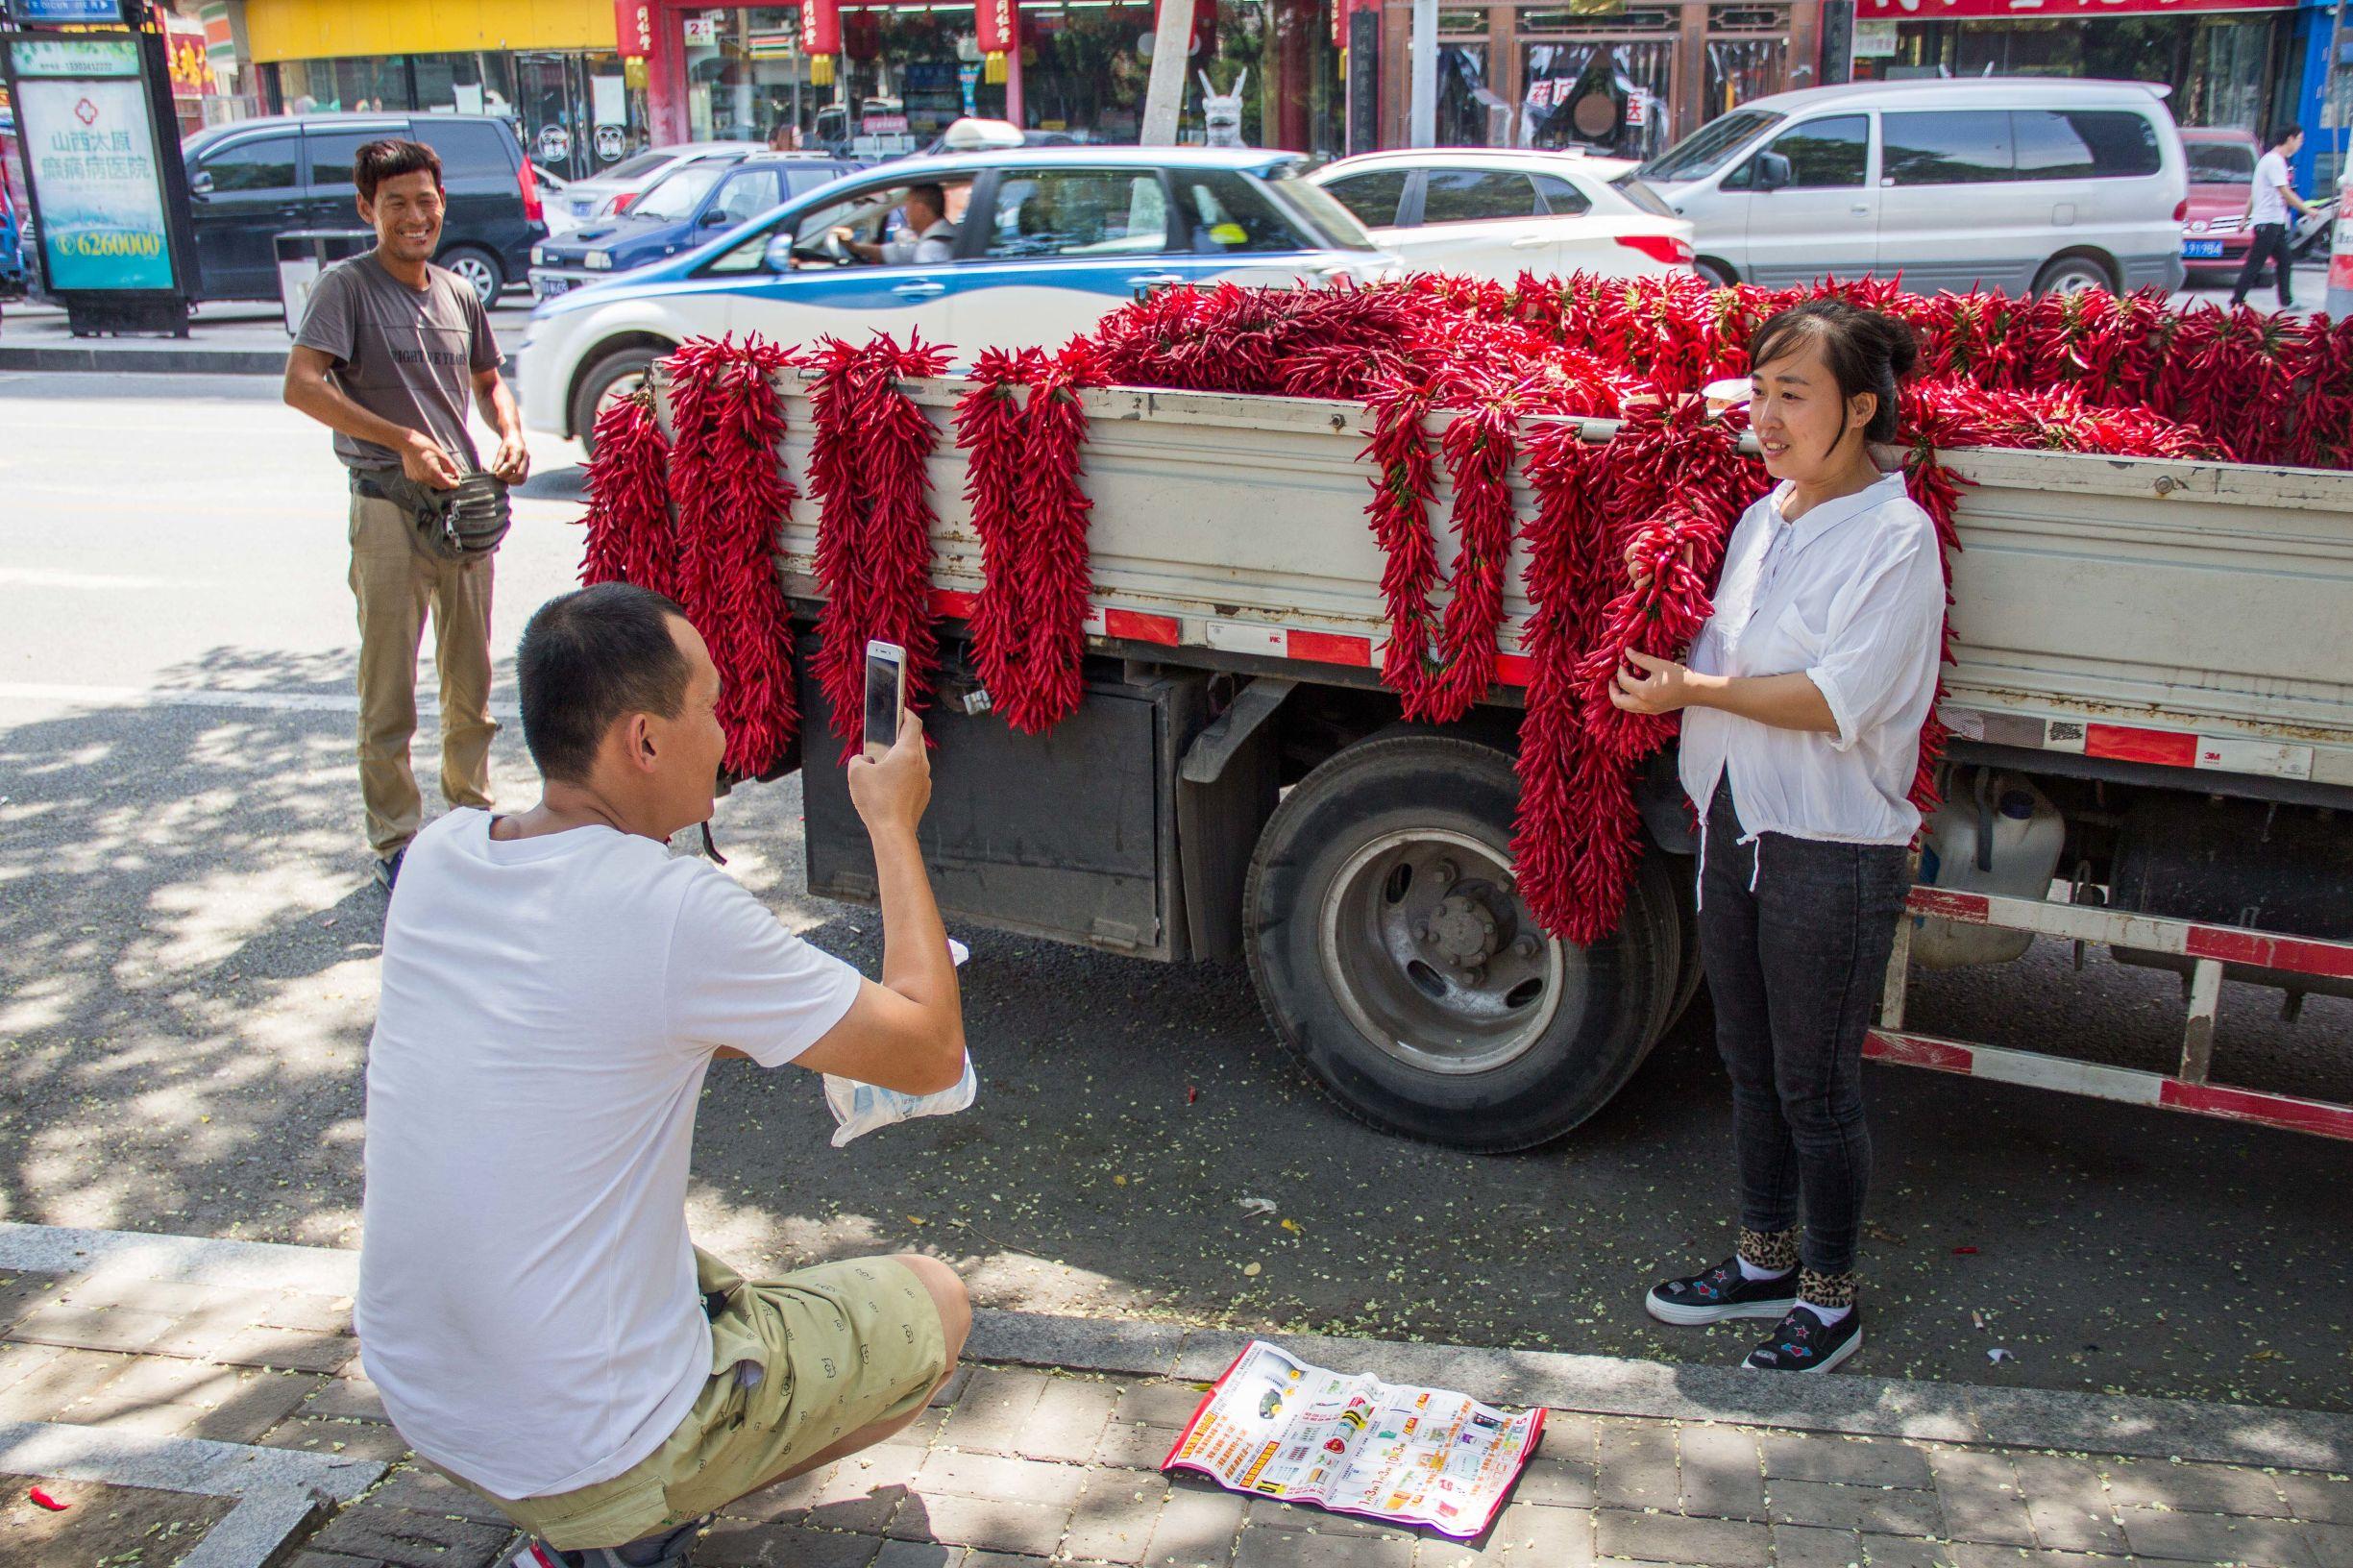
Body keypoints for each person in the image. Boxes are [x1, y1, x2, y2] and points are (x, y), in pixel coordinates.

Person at [357, 583, 971, 1568]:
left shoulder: (438, 858)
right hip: (582, 1448)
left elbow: (584, 1015)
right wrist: (891, 822)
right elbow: (929, 1050)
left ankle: (597, 1504)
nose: (727, 737)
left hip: (425, 1397)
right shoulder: (672, 909)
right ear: (644, 741)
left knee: (674, 1260)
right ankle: (621, 1529)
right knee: (936, 1299)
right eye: (713, 708)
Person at [1611, 300, 1946, 1375]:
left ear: (1859, 407)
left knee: (1815, 1085)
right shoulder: (1767, 519)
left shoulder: (1896, 538)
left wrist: (1694, 689)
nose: (1764, 414)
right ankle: (1761, 1263)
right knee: (1746, 1065)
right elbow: (1735, 652)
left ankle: (1830, 1296)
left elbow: (1836, 695)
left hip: (1828, 846)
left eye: (1790, 394)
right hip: (1737, 829)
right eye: (1756, 392)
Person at [283, 137, 527, 892]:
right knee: (388, 686)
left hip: (464, 511)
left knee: (471, 683)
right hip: (388, 507)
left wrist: (511, 431)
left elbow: (490, 382)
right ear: (368, 209)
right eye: (396, 203)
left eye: (425, 200)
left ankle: (469, 815)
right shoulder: (345, 289)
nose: (415, 216)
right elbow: (301, 385)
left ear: (441, 203)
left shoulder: (459, 293)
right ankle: (396, 839)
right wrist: (404, 441)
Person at [2230, 124, 2314, 312]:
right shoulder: (2275, 161)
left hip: (2273, 222)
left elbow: (2254, 194)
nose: (2300, 144)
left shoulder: (2269, 161)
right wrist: (2306, 209)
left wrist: (2245, 218)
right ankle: (2236, 300)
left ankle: (2287, 300)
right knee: (2256, 263)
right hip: (2268, 223)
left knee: (2285, 260)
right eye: (2300, 140)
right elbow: (2284, 191)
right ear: (2290, 139)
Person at [837, 182, 955, 264]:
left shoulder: (931, 248)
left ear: (921, 210)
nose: (905, 212)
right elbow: (899, 253)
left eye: (908, 207)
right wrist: (855, 247)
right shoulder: (943, 239)